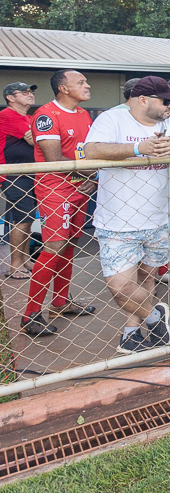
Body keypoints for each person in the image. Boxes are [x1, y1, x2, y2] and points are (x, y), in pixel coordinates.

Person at [82, 76, 170, 352]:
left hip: (160, 217)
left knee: (147, 279)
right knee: (121, 286)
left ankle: (131, 334)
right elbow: (91, 150)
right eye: (165, 101)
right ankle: (156, 316)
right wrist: (138, 149)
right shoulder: (113, 118)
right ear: (143, 100)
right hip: (117, 221)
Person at [21, 70, 98, 337]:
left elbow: (89, 152)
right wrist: (93, 174)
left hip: (80, 186)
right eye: (81, 82)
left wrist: (92, 177)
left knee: (70, 244)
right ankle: (30, 314)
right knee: (53, 247)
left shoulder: (84, 114)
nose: (88, 85)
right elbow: (55, 159)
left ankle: (60, 302)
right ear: (63, 88)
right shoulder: (46, 115)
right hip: (55, 189)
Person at [0, 82, 38, 279]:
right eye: (24, 92)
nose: (30, 95)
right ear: (10, 98)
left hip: (29, 174)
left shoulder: (28, 117)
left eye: (30, 91)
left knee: (28, 219)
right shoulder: (7, 115)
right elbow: (35, 140)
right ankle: (15, 265)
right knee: (22, 220)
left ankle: (24, 259)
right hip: (14, 175)